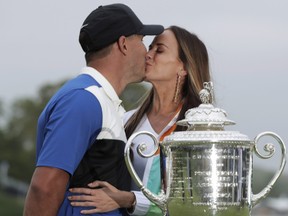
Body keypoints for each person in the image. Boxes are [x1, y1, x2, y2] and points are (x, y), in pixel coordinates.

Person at [23, 3, 164, 216]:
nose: (147, 52)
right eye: (142, 41)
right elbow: (44, 188)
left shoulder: (100, 100)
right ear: (123, 44)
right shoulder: (84, 100)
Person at [68, 25, 212, 216]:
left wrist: (128, 199)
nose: (148, 55)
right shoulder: (125, 120)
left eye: (159, 50)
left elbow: (195, 200)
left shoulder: (200, 129)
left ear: (183, 67)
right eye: (150, 47)